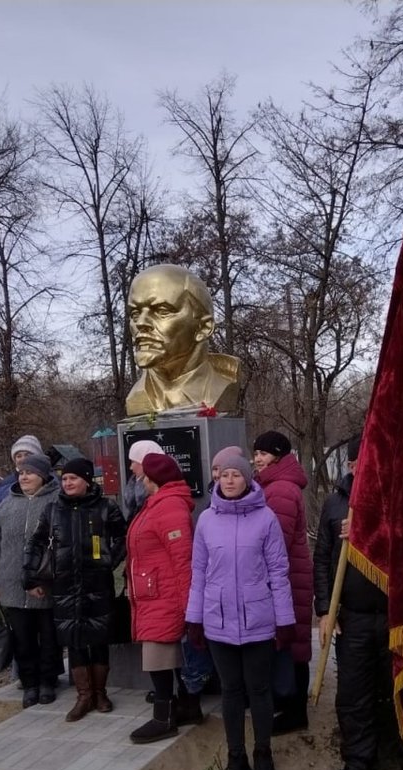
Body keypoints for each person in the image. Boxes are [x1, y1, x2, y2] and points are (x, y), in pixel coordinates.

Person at [314, 438, 403, 770]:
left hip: (396, 618)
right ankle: (358, 763)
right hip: (352, 620)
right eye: (356, 463)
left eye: (370, 461)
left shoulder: (401, 502)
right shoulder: (335, 502)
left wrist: (369, 533)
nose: (363, 468)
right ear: (351, 466)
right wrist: (325, 609)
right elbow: (322, 557)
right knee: (353, 697)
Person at [186, 447, 294, 770]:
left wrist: (285, 620)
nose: (230, 480)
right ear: (217, 478)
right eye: (224, 474)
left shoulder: (266, 519)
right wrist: (195, 619)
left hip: (258, 620)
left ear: (248, 479)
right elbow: (198, 572)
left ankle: (263, 754)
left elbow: (279, 571)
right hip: (218, 623)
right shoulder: (206, 519)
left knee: (259, 690)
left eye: (237, 474)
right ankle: (237, 759)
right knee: (231, 692)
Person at [26, 457, 127, 723]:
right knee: (75, 639)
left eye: (74, 478)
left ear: (86, 481)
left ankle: (100, 693)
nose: (68, 483)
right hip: (65, 586)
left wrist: (108, 561)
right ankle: (84, 696)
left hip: (97, 586)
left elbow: (123, 537)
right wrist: (31, 579)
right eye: (65, 479)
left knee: (99, 639)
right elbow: (35, 544)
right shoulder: (52, 510)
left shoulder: (106, 507)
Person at [0, 452, 61, 708]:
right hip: (12, 586)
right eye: (22, 472)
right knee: (22, 640)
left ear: (43, 475)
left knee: (49, 638)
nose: (24, 477)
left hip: (46, 585)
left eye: (30, 472)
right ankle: (30, 684)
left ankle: (48, 681)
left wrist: (50, 579)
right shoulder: (8, 504)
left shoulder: (57, 501)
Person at [126, 453, 195, 743]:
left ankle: (163, 718)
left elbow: (183, 561)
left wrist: (187, 606)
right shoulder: (156, 504)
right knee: (167, 659)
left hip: (163, 594)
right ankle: (189, 708)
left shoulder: (169, 508)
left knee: (159, 659)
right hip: (153, 592)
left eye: (143, 475)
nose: (138, 477)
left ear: (153, 479)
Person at [252, 429, 314, 735]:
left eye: (263, 453)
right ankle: (287, 702)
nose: (257, 460)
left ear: (277, 455)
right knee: (291, 642)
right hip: (289, 576)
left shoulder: (280, 490)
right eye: (256, 454)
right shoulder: (274, 485)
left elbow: (274, 543)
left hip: (289, 579)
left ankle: (294, 710)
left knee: (293, 644)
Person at [124, 264, 240, 415]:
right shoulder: (137, 397)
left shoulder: (221, 385)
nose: (141, 323)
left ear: (203, 327)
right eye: (135, 314)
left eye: (162, 311)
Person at [0, 435, 42, 526]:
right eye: (18, 456)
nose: (23, 459)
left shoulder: (52, 482)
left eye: (27, 455)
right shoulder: (4, 486)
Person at [122, 439, 164, 520]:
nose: (130, 467)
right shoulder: (139, 503)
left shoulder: (163, 502)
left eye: (133, 462)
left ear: (144, 463)